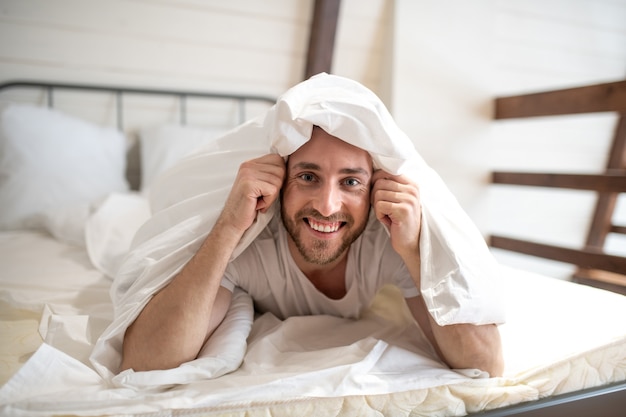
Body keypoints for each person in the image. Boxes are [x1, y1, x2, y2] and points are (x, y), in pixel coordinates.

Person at [120, 124, 504, 377]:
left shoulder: (387, 242)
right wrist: (228, 227)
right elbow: (146, 362)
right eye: (307, 177)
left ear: (375, 191)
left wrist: (414, 255)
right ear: (280, 181)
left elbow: (486, 365)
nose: (326, 205)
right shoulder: (251, 243)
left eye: (351, 181)